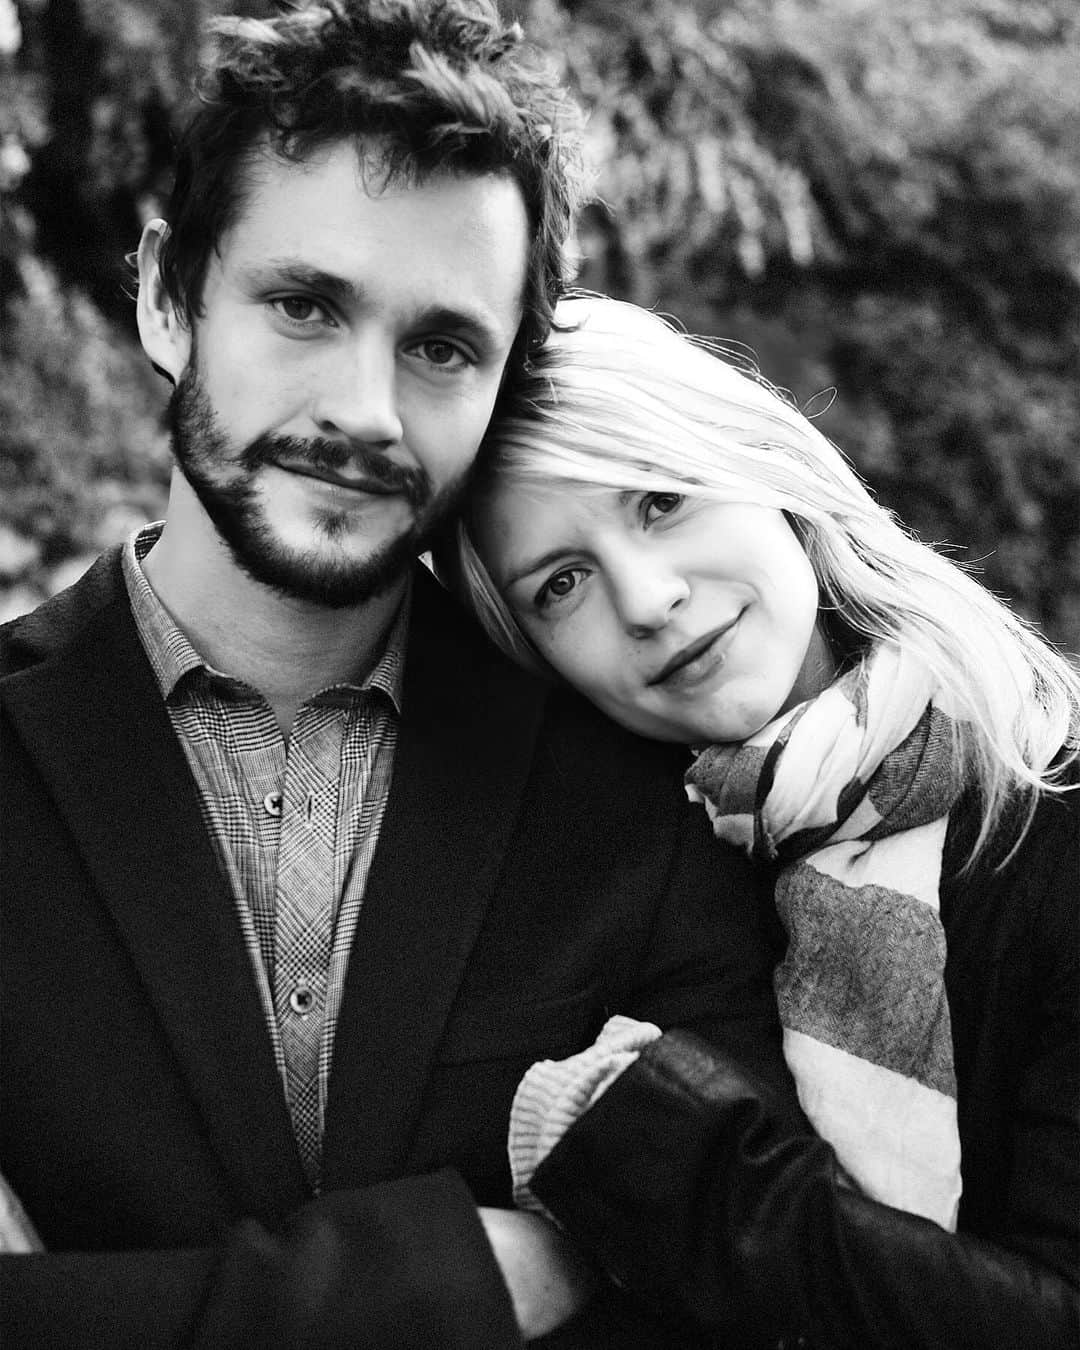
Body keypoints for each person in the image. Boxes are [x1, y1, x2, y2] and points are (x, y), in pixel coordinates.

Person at [0, 11, 802, 1349]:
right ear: (164, 295)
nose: (368, 409)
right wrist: (459, 1277)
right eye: (306, 305)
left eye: (441, 346)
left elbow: (734, 1279)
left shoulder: (635, 794)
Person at [439, 294, 1080, 1349]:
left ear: (764, 466)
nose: (644, 600)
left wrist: (674, 1162)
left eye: (659, 500)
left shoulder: (1047, 814)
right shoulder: (613, 896)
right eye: (560, 584)